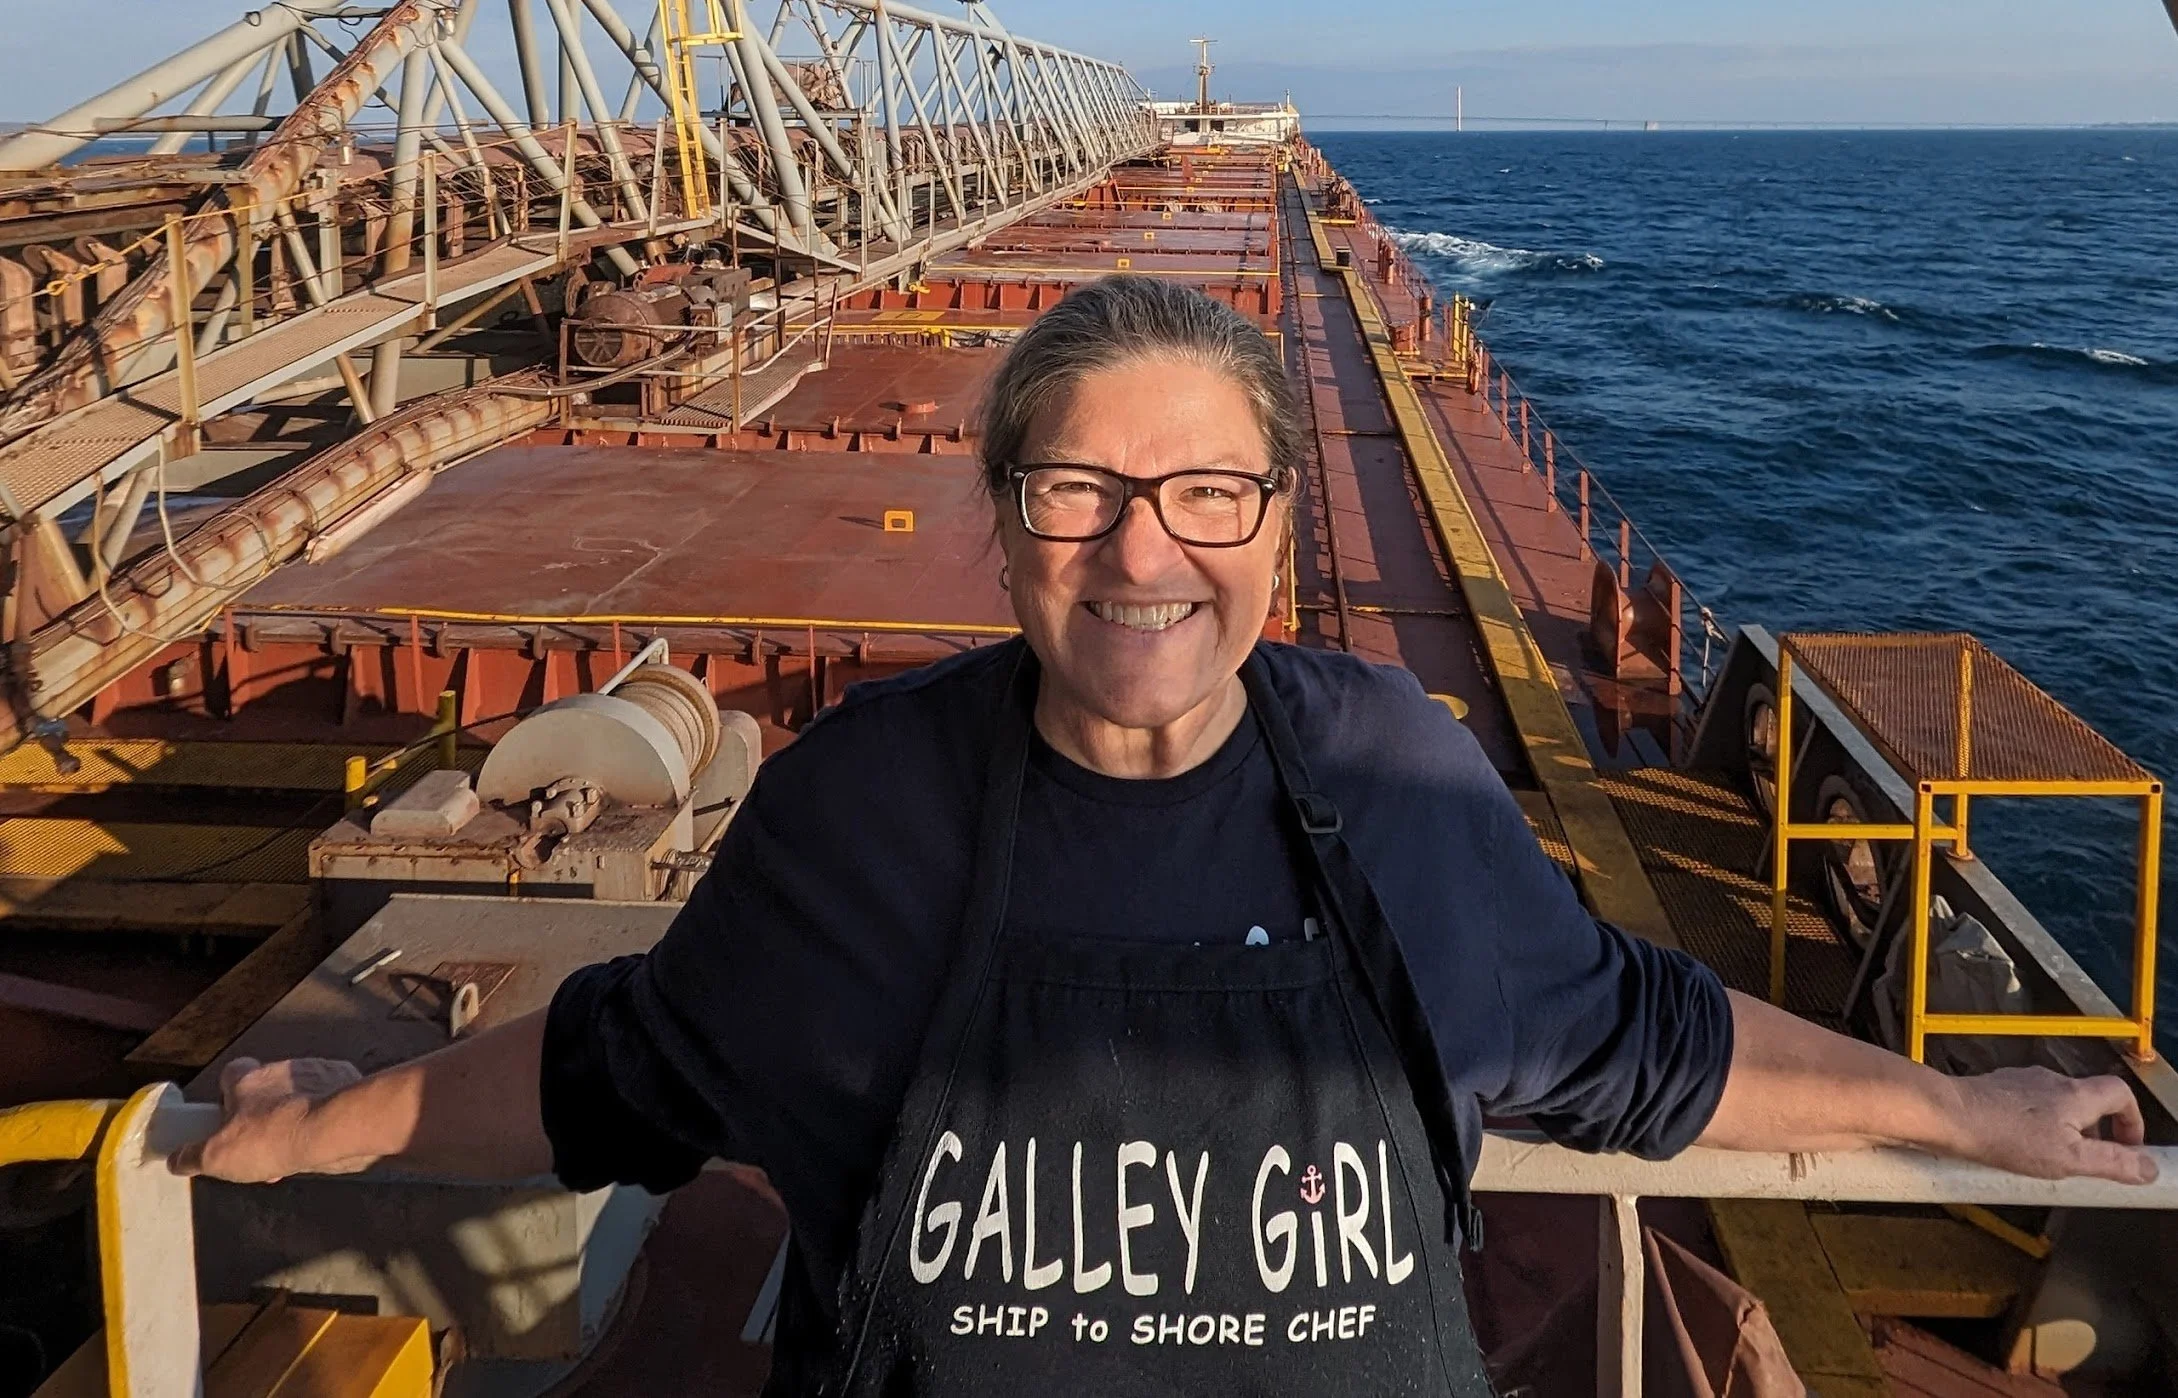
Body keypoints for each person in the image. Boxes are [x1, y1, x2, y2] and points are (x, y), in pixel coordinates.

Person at [177, 276, 2156, 1394]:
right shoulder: (863, 805)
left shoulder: (1401, 783)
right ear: (1004, 521)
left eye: (1208, 491)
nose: (1144, 552)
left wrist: (1969, 1118)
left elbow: (1646, 1043)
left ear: (1283, 534)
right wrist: (308, 1126)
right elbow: (623, 1069)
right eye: (1078, 492)